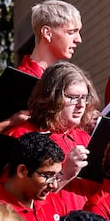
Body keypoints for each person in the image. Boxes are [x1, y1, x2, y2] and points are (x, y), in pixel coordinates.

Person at [9, 61, 96, 193]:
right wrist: (65, 173)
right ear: (51, 97)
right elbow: (18, 194)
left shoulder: (85, 139)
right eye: (73, 97)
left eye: (84, 98)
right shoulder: (23, 135)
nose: (81, 105)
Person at [0, 131, 77, 221]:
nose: (55, 185)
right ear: (22, 171)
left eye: (57, 176)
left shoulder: (55, 202)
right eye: (48, 176)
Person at [19, 0, 82, 77]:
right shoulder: (20, 82)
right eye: (71, 32)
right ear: (47, 33)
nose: (78, 40)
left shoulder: (62, 79)